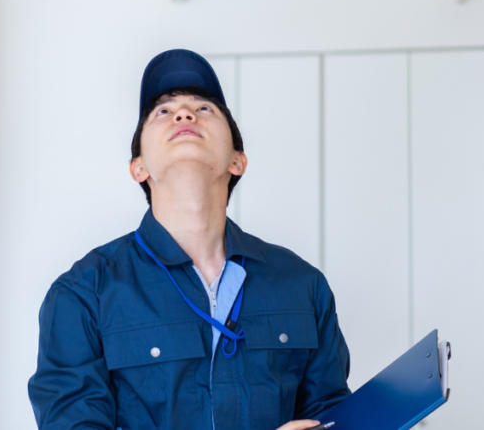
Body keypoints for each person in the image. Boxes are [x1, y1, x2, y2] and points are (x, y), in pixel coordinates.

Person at [28, 49, 351, 430]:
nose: (185, 114)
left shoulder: (303, 285)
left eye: (205, 109)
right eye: (163, 111)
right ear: (139, 168)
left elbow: (333, 417)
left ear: (237, 161)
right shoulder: (83, 294)